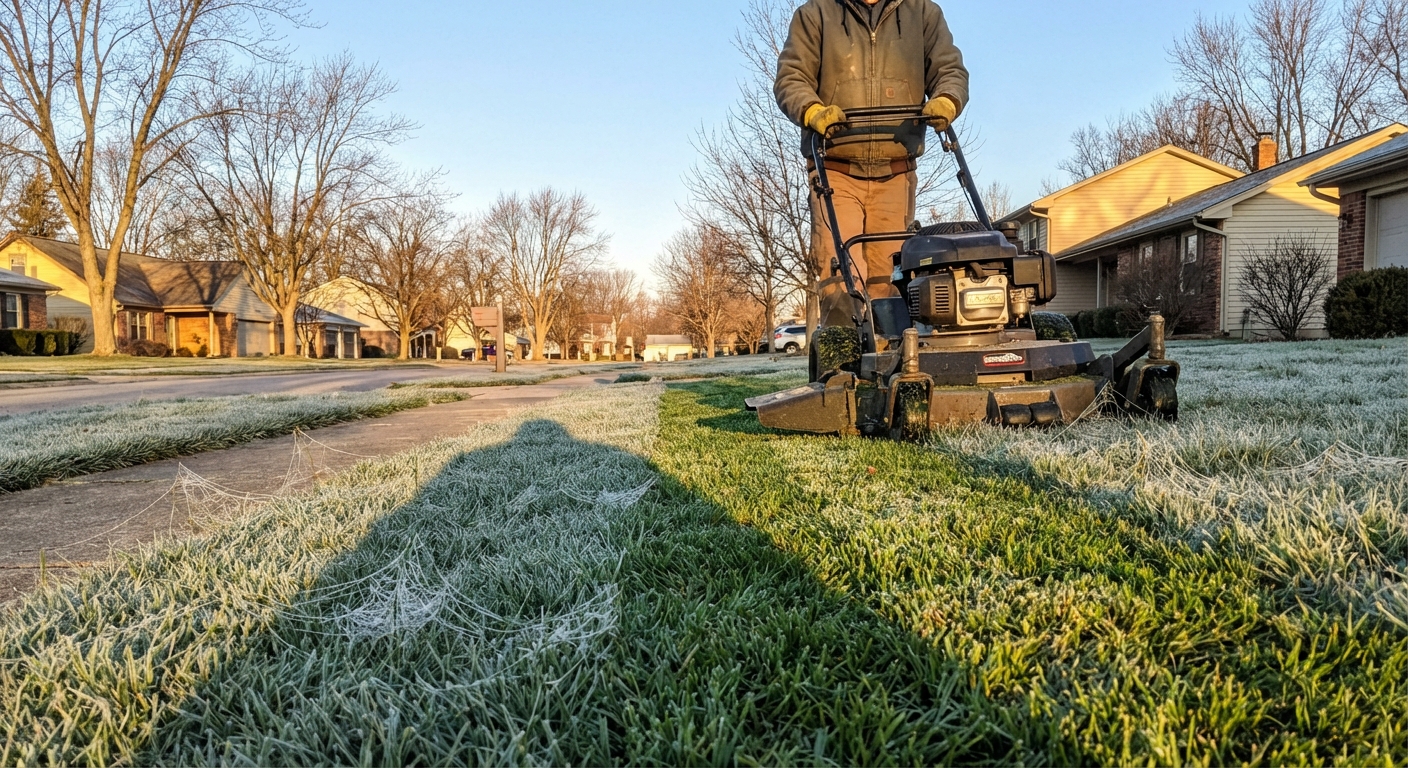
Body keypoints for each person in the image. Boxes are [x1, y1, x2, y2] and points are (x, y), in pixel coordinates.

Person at [775, 0, 969, 330]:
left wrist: (947, 99)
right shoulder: (816, 13)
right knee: (841, 273)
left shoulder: (922, 13)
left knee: (889, 276)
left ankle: (893, 360)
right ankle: (839, 368)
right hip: (835, 166)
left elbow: (950, 70)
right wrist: (812, 111)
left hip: (895, 170)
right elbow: (791, 78)